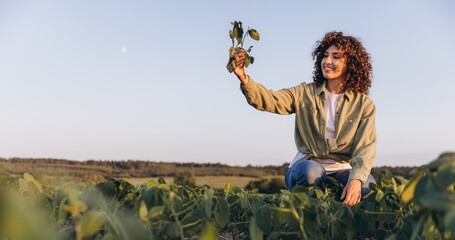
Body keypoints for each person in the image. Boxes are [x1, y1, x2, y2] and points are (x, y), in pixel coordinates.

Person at [232, 31, 377, 206]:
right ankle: (307, 216)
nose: (327, 61)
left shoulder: (364, 104)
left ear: (350, 64)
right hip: (307, 168)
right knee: (310, 172)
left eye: (336, 57)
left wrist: (356, 180)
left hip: (341, 171)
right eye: (325, 56)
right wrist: (243, 77)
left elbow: (365, 148)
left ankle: (338, 216)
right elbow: (271, 100)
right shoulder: (304, 93)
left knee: (368, 184)